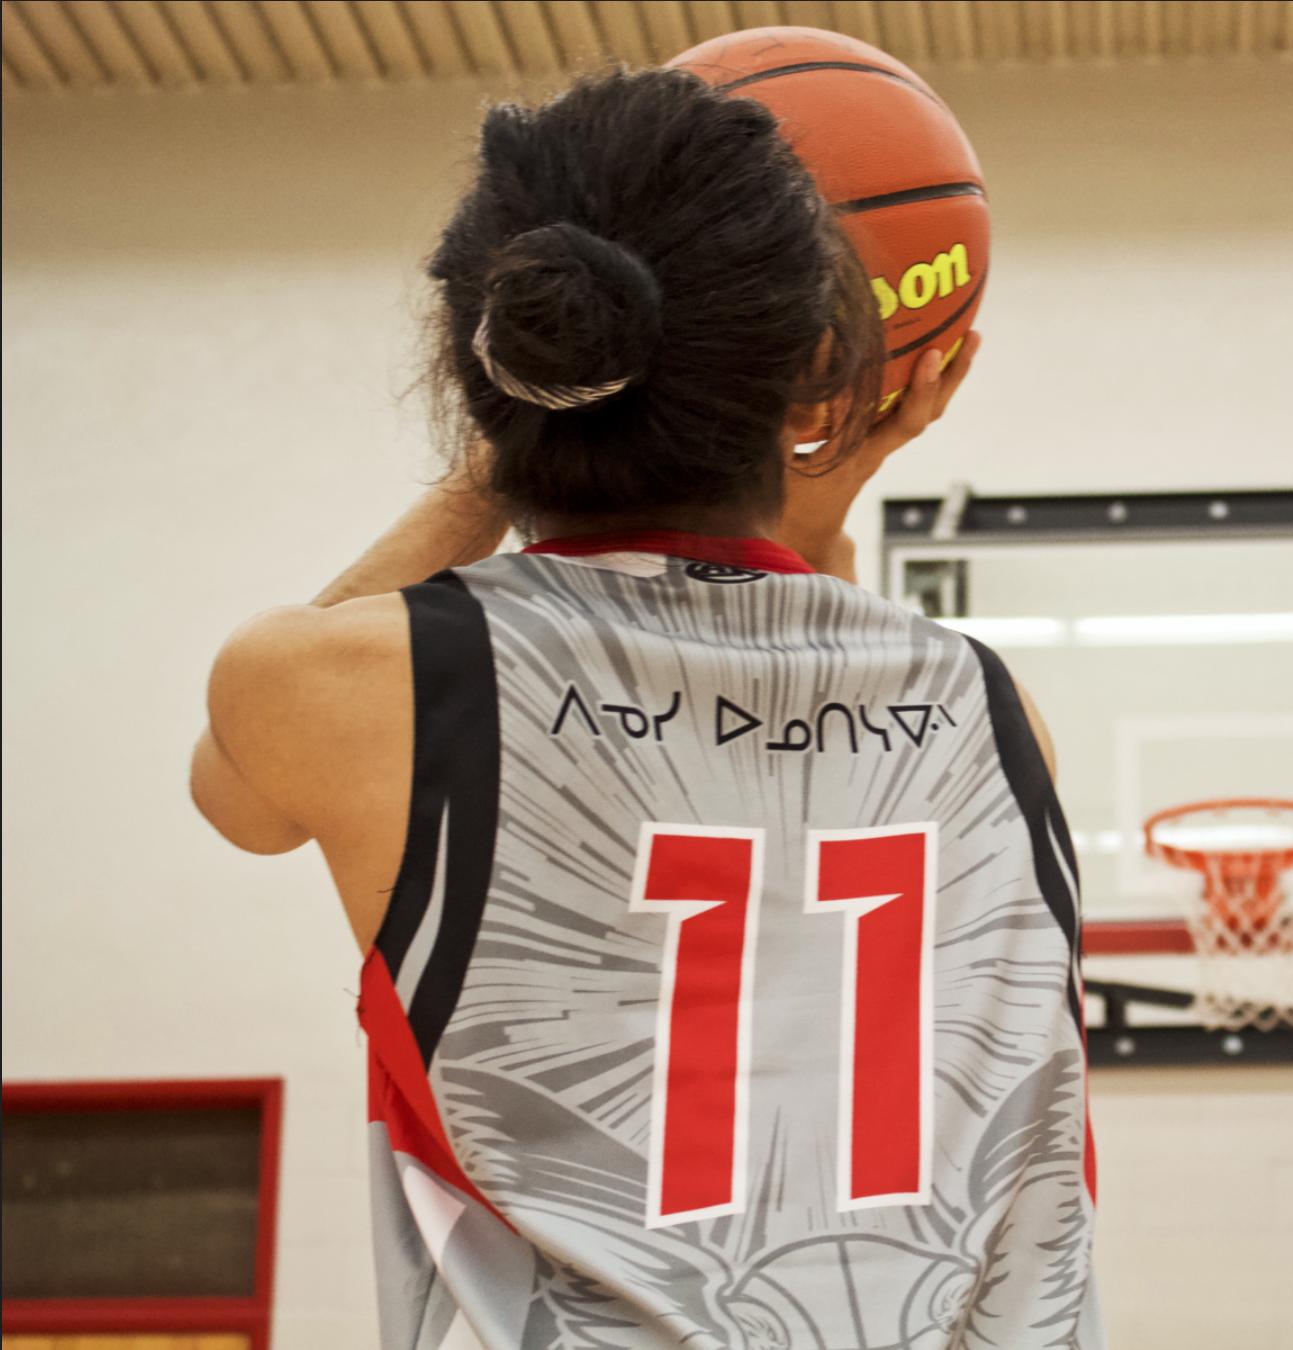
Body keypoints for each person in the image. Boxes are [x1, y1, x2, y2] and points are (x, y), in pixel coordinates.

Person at [191, 68, 1100, 1350]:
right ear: (821, 369)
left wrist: (503, 458)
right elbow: (791, 681)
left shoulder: (346, 689)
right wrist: (834, 452)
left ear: (494, 355)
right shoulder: (990, 716)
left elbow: (228, 790)